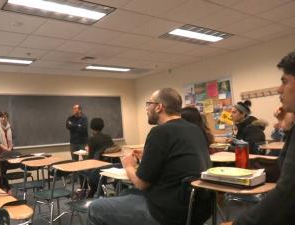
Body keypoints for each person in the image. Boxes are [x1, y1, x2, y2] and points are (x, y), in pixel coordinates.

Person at [87, 88, 212, 225]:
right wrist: (147, 156)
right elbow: (175, 162)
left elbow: (141, 183)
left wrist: (128, 166)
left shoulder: (159, 132)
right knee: (125, 194)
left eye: (149, 103)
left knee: (95, 208)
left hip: (167, 213)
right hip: (196, 208)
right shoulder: (195, 129)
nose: (146, 108)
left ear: (159, 107)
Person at [222, 51, 295, 225]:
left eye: (284, 81)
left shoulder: (253, 129)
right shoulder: (239, 127)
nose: (279, 89)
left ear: (243, 114)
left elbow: (287, 195)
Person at [86, 117, 114, 198]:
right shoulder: (108, 137)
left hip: (97, 168)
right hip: (109, 166)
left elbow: (90, 157)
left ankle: (90, 191)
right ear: (103, 126)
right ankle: (97, 191)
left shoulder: (92, 139)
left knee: (81, 172)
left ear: (91, 127)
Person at [0, 111, 17, 192]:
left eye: (5, 117)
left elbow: (13, 139)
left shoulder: (11, 128)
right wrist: (7, 149)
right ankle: (7, 188)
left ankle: (0, 187)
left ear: (7, 118)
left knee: (3, 171)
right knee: (3, 170)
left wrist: (10, 147)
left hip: (9, 152)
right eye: (1, 117)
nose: (3, 118)